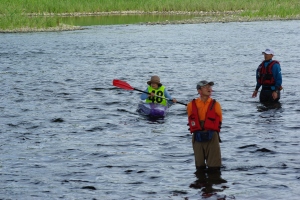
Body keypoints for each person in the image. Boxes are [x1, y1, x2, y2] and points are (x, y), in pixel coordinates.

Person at [186, 81, 222, 171]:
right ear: (199, 90)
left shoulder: (216, 104)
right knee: (199, 166)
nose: (209, 89)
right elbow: (190, 118)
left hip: (212, 135)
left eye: (210, 87)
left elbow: (220, 119)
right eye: (206, 87)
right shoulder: (191, 105)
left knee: (214, 167)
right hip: (197, 135)